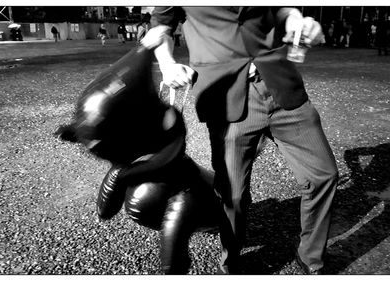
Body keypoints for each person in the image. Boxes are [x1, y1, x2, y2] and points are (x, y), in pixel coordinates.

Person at [142, 7, 338, 274]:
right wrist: (166, 63)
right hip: (225, 96)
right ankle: (231, 262)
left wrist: (296, 20)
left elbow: (280, 10)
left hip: (280, 84)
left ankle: (310, 257)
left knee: (323, 175)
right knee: (232, 194)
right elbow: (161, 24)